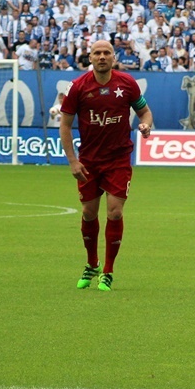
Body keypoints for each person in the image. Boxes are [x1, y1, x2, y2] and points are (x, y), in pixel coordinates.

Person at [59, 40, 153, 292]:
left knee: (115, 212)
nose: (102, 57)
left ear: (114, 57)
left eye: (106, 53)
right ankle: (92, 264)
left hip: (118, 159)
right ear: (89, 57)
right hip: (89, 161)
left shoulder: (127, 83)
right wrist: (73, 160)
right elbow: (65, 125)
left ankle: (108, 271)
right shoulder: (77, 87)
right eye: (97, 53)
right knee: (89, 212)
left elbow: (145, 112)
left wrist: (146, 125)